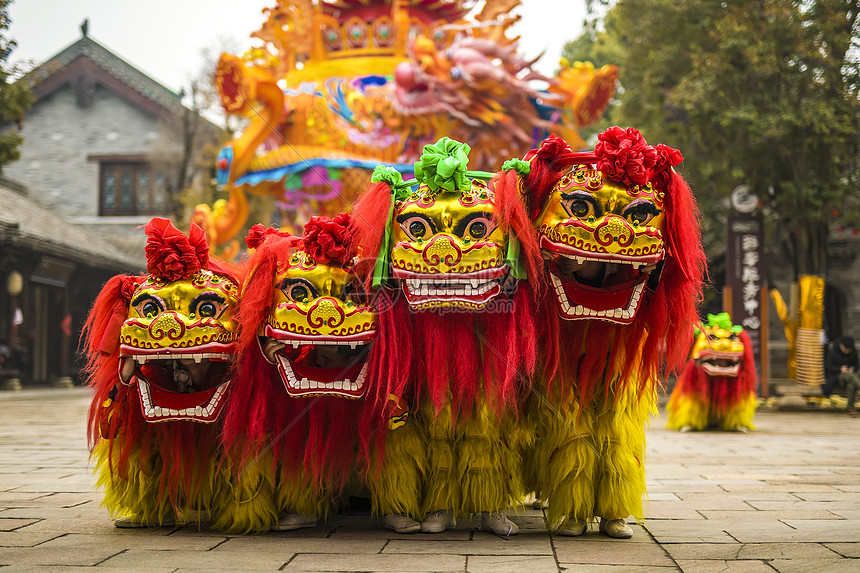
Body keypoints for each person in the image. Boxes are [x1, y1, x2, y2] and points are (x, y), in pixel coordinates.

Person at [823, 336, 859, 415]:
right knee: (850, 376)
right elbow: (828, 367)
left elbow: (856, 365)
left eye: (849, 350)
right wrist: (840, 369)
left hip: (850, 376)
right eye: (846, 350)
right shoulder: (832, 352)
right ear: (841, 345)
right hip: (837, 376)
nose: (848, 352)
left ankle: (850, 407)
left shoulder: (853, 352)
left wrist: (853, 368)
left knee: (851, 384)